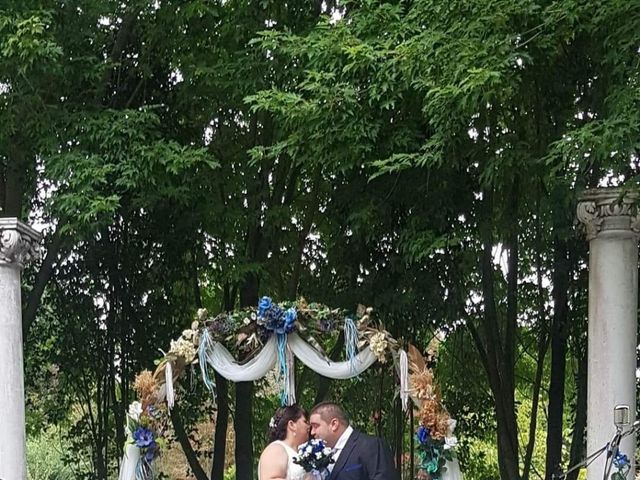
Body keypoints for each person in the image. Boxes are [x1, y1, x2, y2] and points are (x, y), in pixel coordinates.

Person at [309, 402, 398, 480]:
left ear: (334, 424)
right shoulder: (323, 455)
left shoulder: (370, 446)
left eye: (315, 426)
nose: (312, 432)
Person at [259, 405, 310, 480]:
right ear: (292, 425)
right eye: (305, 422)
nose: (309, 426)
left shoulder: (301, 453)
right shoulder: (276, 449)